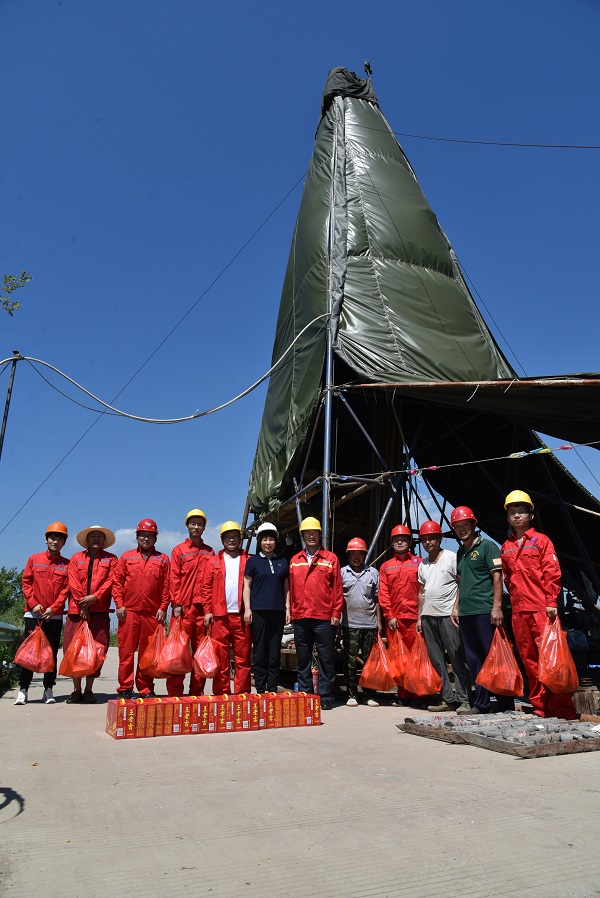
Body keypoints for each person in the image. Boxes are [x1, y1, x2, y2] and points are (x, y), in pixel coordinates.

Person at [500, 490, 576, 719]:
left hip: (542, 610)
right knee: (530, 662)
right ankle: (540, 708)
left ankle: (562, 709)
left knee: (552, 661)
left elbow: (552, 573)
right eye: (512, 512)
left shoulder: (542, 541)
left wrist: (551, 602)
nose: (516, 515)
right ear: (508, 518)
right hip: (519, 613)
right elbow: (507, 578)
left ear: (531, 515)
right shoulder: (506, 547)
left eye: (521, 511)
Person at [450, 506, 503, 715]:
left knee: (493, 657)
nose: (462, 529)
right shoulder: (460, 552)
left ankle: (505, 704)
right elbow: (460, 581)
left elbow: (497, 577)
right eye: (457, 526)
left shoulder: (488, 547)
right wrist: (456, 607)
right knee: (474, 660)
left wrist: (497, 607)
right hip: (466, 613)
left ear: (474, 525)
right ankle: (482, 705)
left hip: (484, 611)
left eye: (465, 525)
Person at [416, 520, 471, 713]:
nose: (428, 543)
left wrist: (456, 608)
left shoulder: (451, 558)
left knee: (457, 658)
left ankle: (464, 699)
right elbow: (421, 592)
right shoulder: (423, 564)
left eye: (432, 538)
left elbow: (461, 583)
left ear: (439, 539)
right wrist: (419, 617)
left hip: (448, 615)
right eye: (424, 540)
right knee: (437, 660)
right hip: (428, 616)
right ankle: (447, 699)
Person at [288, 517, 343, 710]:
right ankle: (306, 695)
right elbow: (292, 589)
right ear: (302, 536)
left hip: (323, 617)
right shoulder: (295, 560)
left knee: (326, 659)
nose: (311, 536)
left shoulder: (330, 558)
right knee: (303, 659)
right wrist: (292, 612)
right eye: (307, 533)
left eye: (314, 533)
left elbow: (337, 588)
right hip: (301, 617)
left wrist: (336, 612)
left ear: (320, 535)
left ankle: (326, 696)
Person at [113, 519, 170, 699]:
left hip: (152, 614)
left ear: (155, 538)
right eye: (143, 535)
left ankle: (145, 688)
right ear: (137, 537)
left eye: (150, 536)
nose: (146, 538)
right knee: (126, 652)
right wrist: (119, 605)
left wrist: (163, 607)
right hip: (129, 613)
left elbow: (167, 586)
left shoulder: (163, 559)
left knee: (148, 654)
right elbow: (117, 583)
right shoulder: (126, 557)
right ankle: (125, 687)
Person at [14, 522, 70, 705]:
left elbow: (66, 589)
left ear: (64, 543)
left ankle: (48, 689)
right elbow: (26, 583)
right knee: (29, 653)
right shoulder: (34, 559)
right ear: (46, 540)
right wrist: (33, 604)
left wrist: (54, 607)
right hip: (33, 615)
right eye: (52, 537)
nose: (55, 541)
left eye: (59, 539)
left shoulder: (67, 564)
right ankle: (23, 690)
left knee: (51, 653)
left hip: (53, 616)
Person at [66, 525, 118, 703]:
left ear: (104, 540)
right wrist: (83, 605)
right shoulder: (76, 558)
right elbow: (73, 582)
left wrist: (95, 597)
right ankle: (76, 690)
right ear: (86, 540)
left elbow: (111, 580)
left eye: (99, 536)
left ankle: (89, 689)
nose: (96, 539)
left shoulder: (112, 559)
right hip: (77, 612)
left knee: (97, 650)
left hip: (99, 612)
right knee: (74, 650)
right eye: (93, 536)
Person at [166, 508, 215, 696]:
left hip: (203, 610)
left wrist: (209, 609)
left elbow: (212, 581)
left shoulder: (210, 552)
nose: (196, 527)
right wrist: (176, 603)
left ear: (204, 527)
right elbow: (174, 578)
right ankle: (175, 693)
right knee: (178, 652)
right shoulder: (179, 550)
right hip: (183, 609)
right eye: (193, 523)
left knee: (200, 653)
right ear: (187, 526)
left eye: (199, 524)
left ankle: (196, 692)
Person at [202, 521, 251, 694]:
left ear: (240, 539)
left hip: (242, 616)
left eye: (235, 536)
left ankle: (242, 693)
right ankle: (222, 693)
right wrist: (207, 611)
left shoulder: (248, 560)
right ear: (222, 540)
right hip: (220, 617)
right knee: (221, 658)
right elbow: (206, 588)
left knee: (243, 658)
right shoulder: (213, 561)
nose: (231, 540)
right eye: (228, 537)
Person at [243, 522, 290, 693]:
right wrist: (247, 609)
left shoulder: (282, 562)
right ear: (260, 542)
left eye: (271, 539)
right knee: (260, 651)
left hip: (277, 612)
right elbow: (247, 586)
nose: (268, 543)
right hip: (258, 612)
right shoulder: (253, 561)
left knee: (274, 652)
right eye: (265, 539)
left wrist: (288, 608)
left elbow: (286, 588)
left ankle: (272, 688)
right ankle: (261, 689)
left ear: (276, 541)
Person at [378, 524, 421, 707]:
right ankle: (403, 694)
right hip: (395, 621)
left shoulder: (420, 563)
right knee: (398, 659)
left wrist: (421, 617)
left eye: (403, 539)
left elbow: (425, 591)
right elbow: (383, 593)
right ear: (392, 543)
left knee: (416, 657)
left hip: (415, 620)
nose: (400, 542)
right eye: (396, 540)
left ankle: (417, 694)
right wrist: (389, 616)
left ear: (410, 542)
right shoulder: (386, 566)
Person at [340, 537, 380, 707]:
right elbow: (337, 599)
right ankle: (352, 695)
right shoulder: (342, 573)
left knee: (369, 662)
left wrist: (379, 623)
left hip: (369, 624)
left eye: (360, 554)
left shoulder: (373, 573)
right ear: (348, 556)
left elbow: (377, 600)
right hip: (349, 625)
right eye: (353, 554)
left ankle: (369, 695)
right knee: (349, 661)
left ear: (365, 555)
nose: (356, 558)